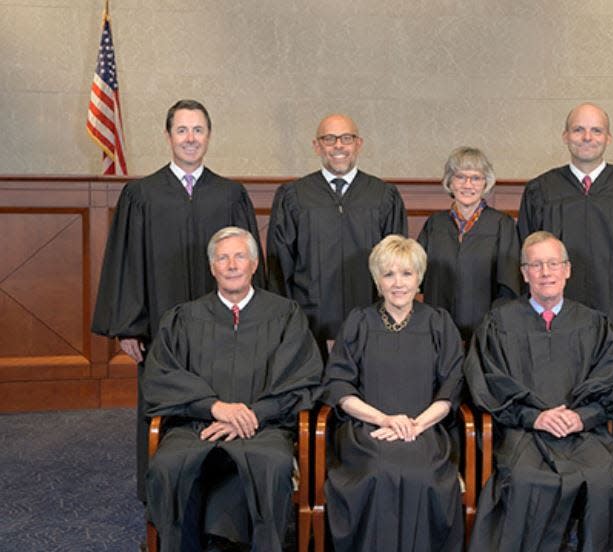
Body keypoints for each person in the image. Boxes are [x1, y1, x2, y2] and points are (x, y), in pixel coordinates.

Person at [91, 99, 266, 500]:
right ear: (168, 136)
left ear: (209, 136)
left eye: (198, 130)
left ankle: (220, 493)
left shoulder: (230, 194)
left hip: (222, 325)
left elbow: (247, 260)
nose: (191, 138)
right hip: (160, 324)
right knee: (162, 402)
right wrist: (129, 326)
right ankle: (159, 490)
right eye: (182, 130)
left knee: (222, 397)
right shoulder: (141, 195)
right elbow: (127, 264)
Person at [143, 227, 322, 552]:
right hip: (197, 425)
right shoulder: (185, 317)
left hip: (263, 426)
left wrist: (251, 414)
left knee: (271, 464)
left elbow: (302, 379)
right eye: (222, 258)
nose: (231, 265)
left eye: (240, 256)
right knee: (168, 466)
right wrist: (215, 408)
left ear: (254, 264)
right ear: (212, 267)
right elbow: (161, 375)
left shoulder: (284, 315)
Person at [464, 231, 613, 552]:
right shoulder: (499, 323)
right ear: (524, 273)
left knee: (603, 482)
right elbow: (488, 383)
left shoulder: (595, 324)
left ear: (567, 269)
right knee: (524, 480)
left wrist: (581, 417)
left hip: (583, 433)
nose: (546, 273)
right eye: (536, 265)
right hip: (524, 433)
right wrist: (535, 417)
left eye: (553, 264)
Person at [517, 102, 613, 466]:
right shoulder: (541, 189)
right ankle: (557, 467)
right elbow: (526, 261)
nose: (587, 137)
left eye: (596, 130)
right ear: (566, 136)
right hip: (555, 318)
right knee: (560, 390)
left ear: (608, 138)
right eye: (579, 130)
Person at [322, 235, 465, 551]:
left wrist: (415, 425)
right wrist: (384, 419)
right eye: (388, 274)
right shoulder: (359, 321)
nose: (398, 283)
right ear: (377, 280)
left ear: (419, 278)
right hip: (366, 430)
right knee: (377, 471)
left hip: (425, 429)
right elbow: (339, 385)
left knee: (423, 475)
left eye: (406, 274)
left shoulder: (439, 323)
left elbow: (451, 387)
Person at [266, 114, 407, 354]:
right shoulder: (294, 196)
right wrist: (286, 320)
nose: (338, 146)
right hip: (310, 322)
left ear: (358, 144)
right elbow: (280, 265)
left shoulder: (383, 195)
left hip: (371, 319)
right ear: (317, 146)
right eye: (329, 139)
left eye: (346, 138)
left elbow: (397, 264)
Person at [418, 146, 519, 342]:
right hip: (437, 329)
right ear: (450, 182)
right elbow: (417, 276)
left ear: (485, 184)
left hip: (485, 333)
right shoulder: (434, 224)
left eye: (476, 178)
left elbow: (509, 285)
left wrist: (492, 329)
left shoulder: (502, 225)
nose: (468, 184)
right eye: (460, 177)